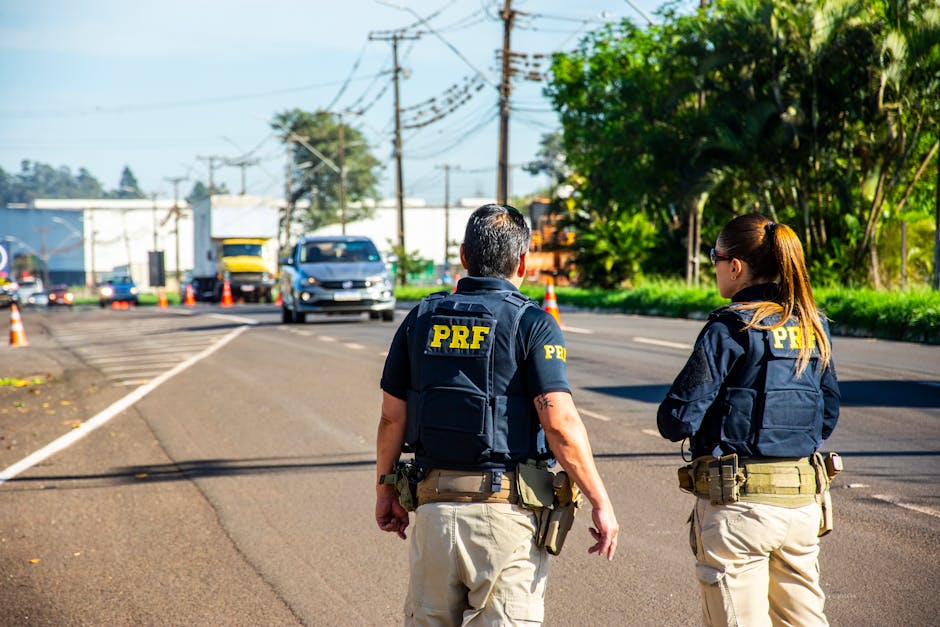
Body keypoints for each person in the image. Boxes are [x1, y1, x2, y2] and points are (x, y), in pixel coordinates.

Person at [376, 203, 619, 626]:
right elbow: (559, 422)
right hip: (503, 520)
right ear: (523, 261)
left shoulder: (420, 318)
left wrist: (385, 490)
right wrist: (599, 500)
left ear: (464, 257)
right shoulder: (533, 323)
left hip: (432, 515)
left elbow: (392, 418)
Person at [657, 213, 841, 626]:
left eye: (715, 258)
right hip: (802, 508)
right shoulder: (812, 325)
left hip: (738, 512)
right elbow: (827, 416)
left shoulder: (730, 327)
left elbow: (677, 420)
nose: (716, 268)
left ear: (735, 266)